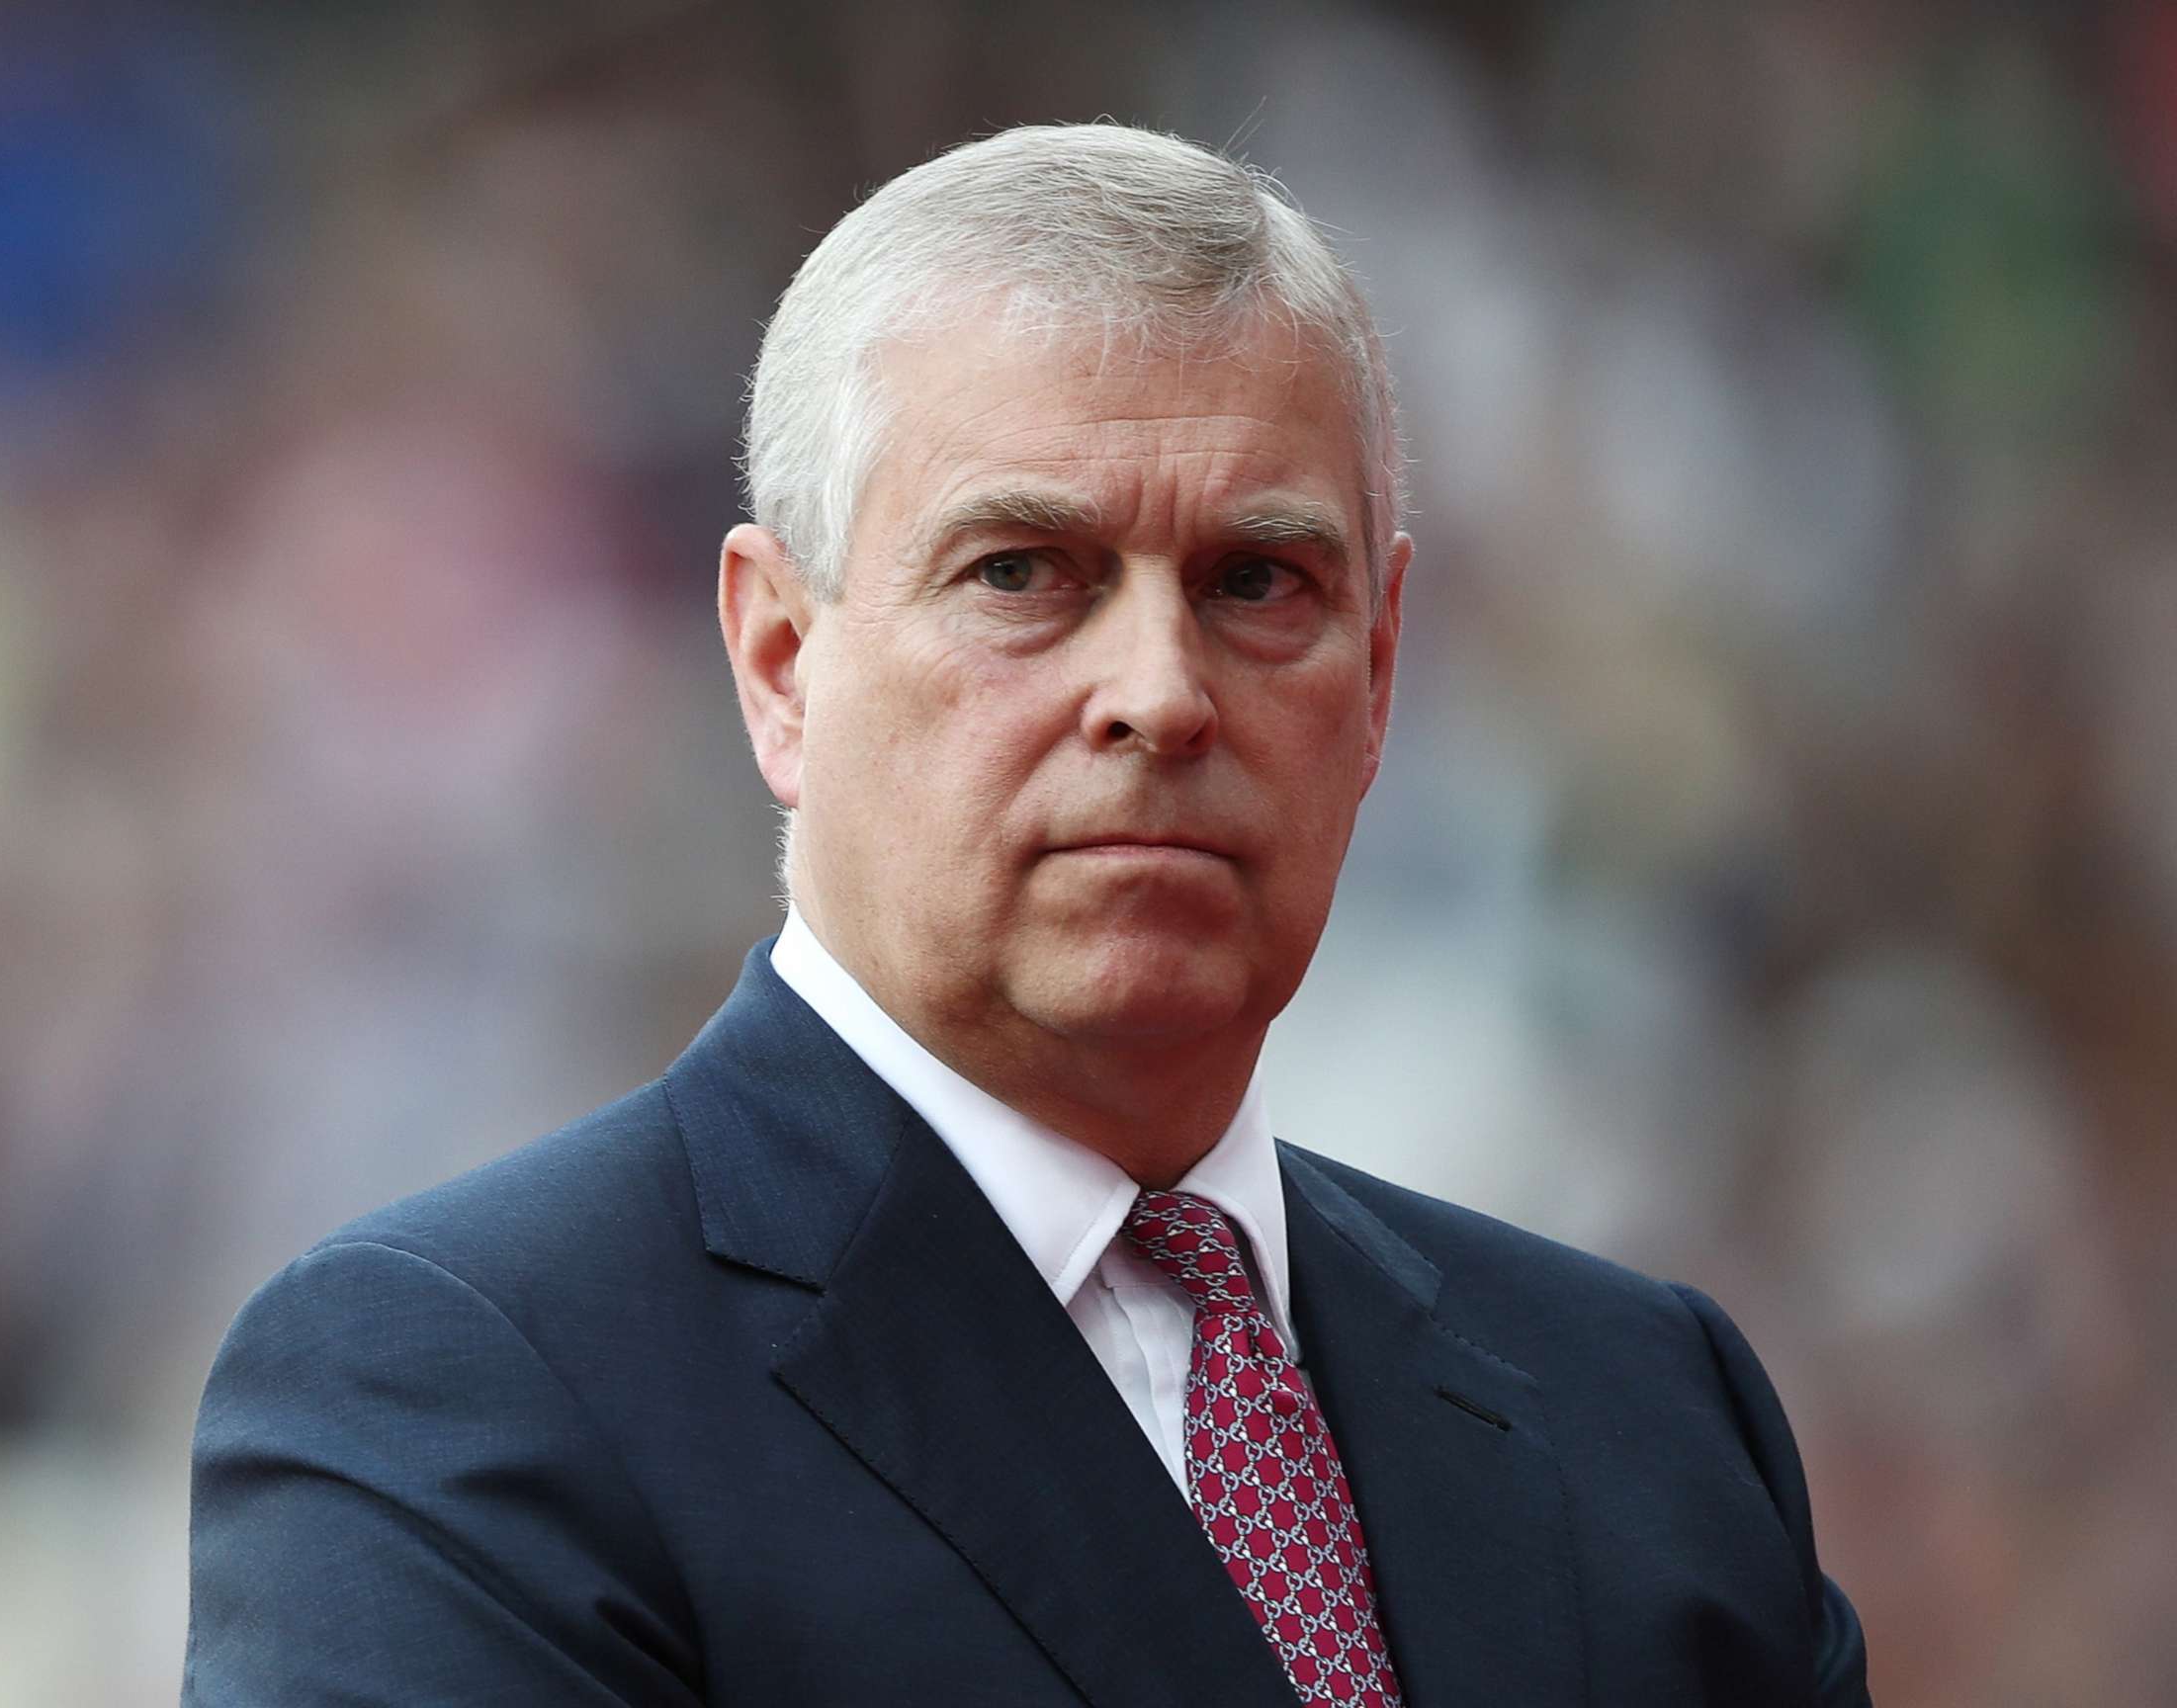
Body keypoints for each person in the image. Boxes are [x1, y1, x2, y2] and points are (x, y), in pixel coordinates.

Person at [183, 124, 1871, 1708]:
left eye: (1258, 583)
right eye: (1020, 575)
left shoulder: (1651, 1412)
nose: (1159, 694)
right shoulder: (455, 1394)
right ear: (782, 662)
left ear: (1379, 673)